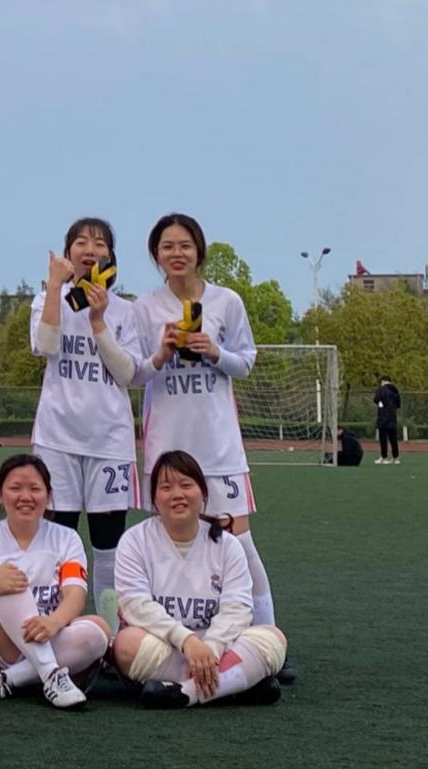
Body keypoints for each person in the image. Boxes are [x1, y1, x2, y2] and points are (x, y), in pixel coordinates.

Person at [132, 213, 294, 684]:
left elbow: (246, 362)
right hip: (167, 449)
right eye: (167, 246)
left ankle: (268, 642)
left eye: (185, 245)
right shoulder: (144, 308)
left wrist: (215, 351)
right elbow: (134, 373)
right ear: (156, 254)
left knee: (240, 546)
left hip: (219, 449)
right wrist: (162, 353)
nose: (176, 253)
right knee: (170, 547)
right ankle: (173, 644)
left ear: (199, 251)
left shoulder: (227, 302)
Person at [29, 217, 142, 630]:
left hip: (109, 442)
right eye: (80, 242)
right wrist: (55, 287)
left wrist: (99, 320)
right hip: (57, 439)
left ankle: (109, 635)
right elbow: (45, 345)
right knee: (56, 542)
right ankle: (51, 629)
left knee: (107, 547)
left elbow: (127, 373)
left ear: (111, 256)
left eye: (99, 243)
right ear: (67, 253)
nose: (89, 249)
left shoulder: (125, 311)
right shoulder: (47, 300)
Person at [112, 450, 288, 708]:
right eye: (166, 487)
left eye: (186, 485)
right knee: (126, 645)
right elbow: (136, 606)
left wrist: (211, 648)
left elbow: (238, 608)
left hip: (217, 648)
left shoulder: (227, 544)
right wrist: (187, 641)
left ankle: (185, 693)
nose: (177, 494)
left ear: (203, 493)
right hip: (166, 644)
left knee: (274, 639)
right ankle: (233, 684)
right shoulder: (134, 541)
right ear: (155, 499)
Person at [0, 454, 110, 708]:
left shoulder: (66, 538)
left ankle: (6, 680)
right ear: (0, 494)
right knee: (11, 582)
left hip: (49, 638)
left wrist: (53, 622)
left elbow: (75, 594)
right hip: (0, 645)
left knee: (98, 630)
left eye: (35, 489)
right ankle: (50, 674)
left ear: (48, 496)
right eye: (15, 488)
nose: (25, 497)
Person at [373, 375, 401, 465]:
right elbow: (398, 404)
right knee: (393, 439)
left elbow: (376, 399)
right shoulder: (395, 390)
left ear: (382, 381)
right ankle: (396, 458)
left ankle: (384, 457)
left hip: (383, 417)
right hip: (392, 417)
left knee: (383, 438)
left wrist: (381, 405)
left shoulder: (381, 390)